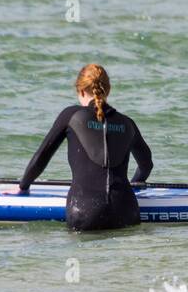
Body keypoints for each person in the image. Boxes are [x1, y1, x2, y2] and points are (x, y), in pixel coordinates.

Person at [18, 64, 153, 230]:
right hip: (126, 211)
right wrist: (136, 183)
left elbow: (41, 157)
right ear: (108, 90)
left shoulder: (71, 116)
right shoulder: (127, 123)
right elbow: (146, 165)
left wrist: (23, 186)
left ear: (81, 91)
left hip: (85, 213)